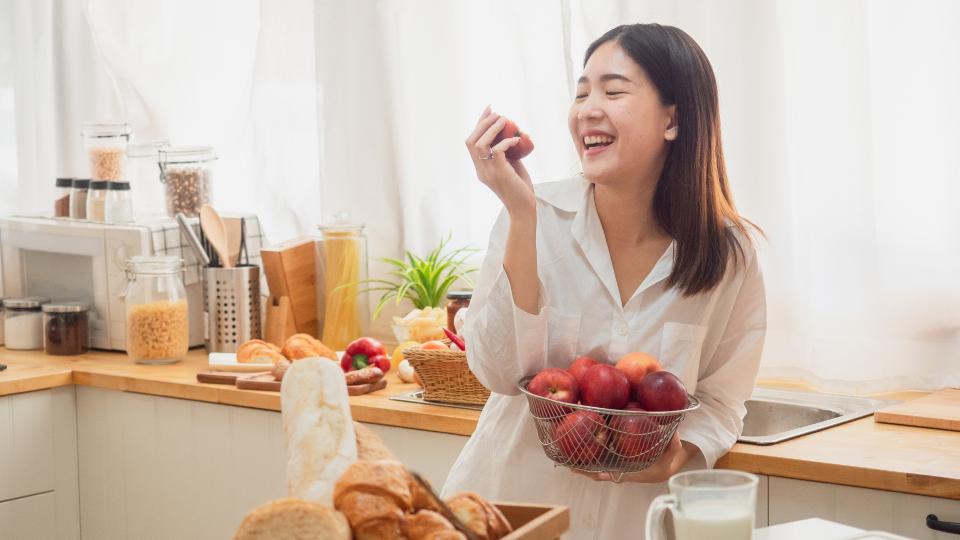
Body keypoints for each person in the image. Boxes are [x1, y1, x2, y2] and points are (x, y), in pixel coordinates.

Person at [440, 23, 767, 539]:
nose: (588, 108)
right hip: (510, 515)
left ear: (673, 119)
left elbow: (724, 400)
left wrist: (682, 455)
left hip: (635, 523)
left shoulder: (727, 254)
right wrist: (522, 218)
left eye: (614, 91)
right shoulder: (533, 215)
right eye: (581, 92)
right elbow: (498, 373)